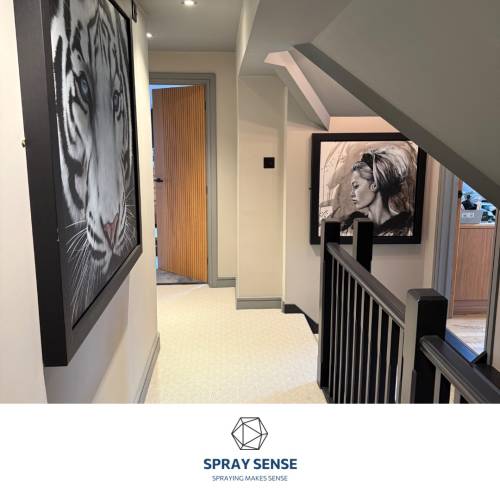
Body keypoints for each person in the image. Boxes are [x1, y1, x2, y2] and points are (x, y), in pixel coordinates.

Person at [343, 145, 416, 236]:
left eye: (356, 186)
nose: (351, 194)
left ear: (375, 185)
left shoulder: (407, 228)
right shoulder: (349, 228)